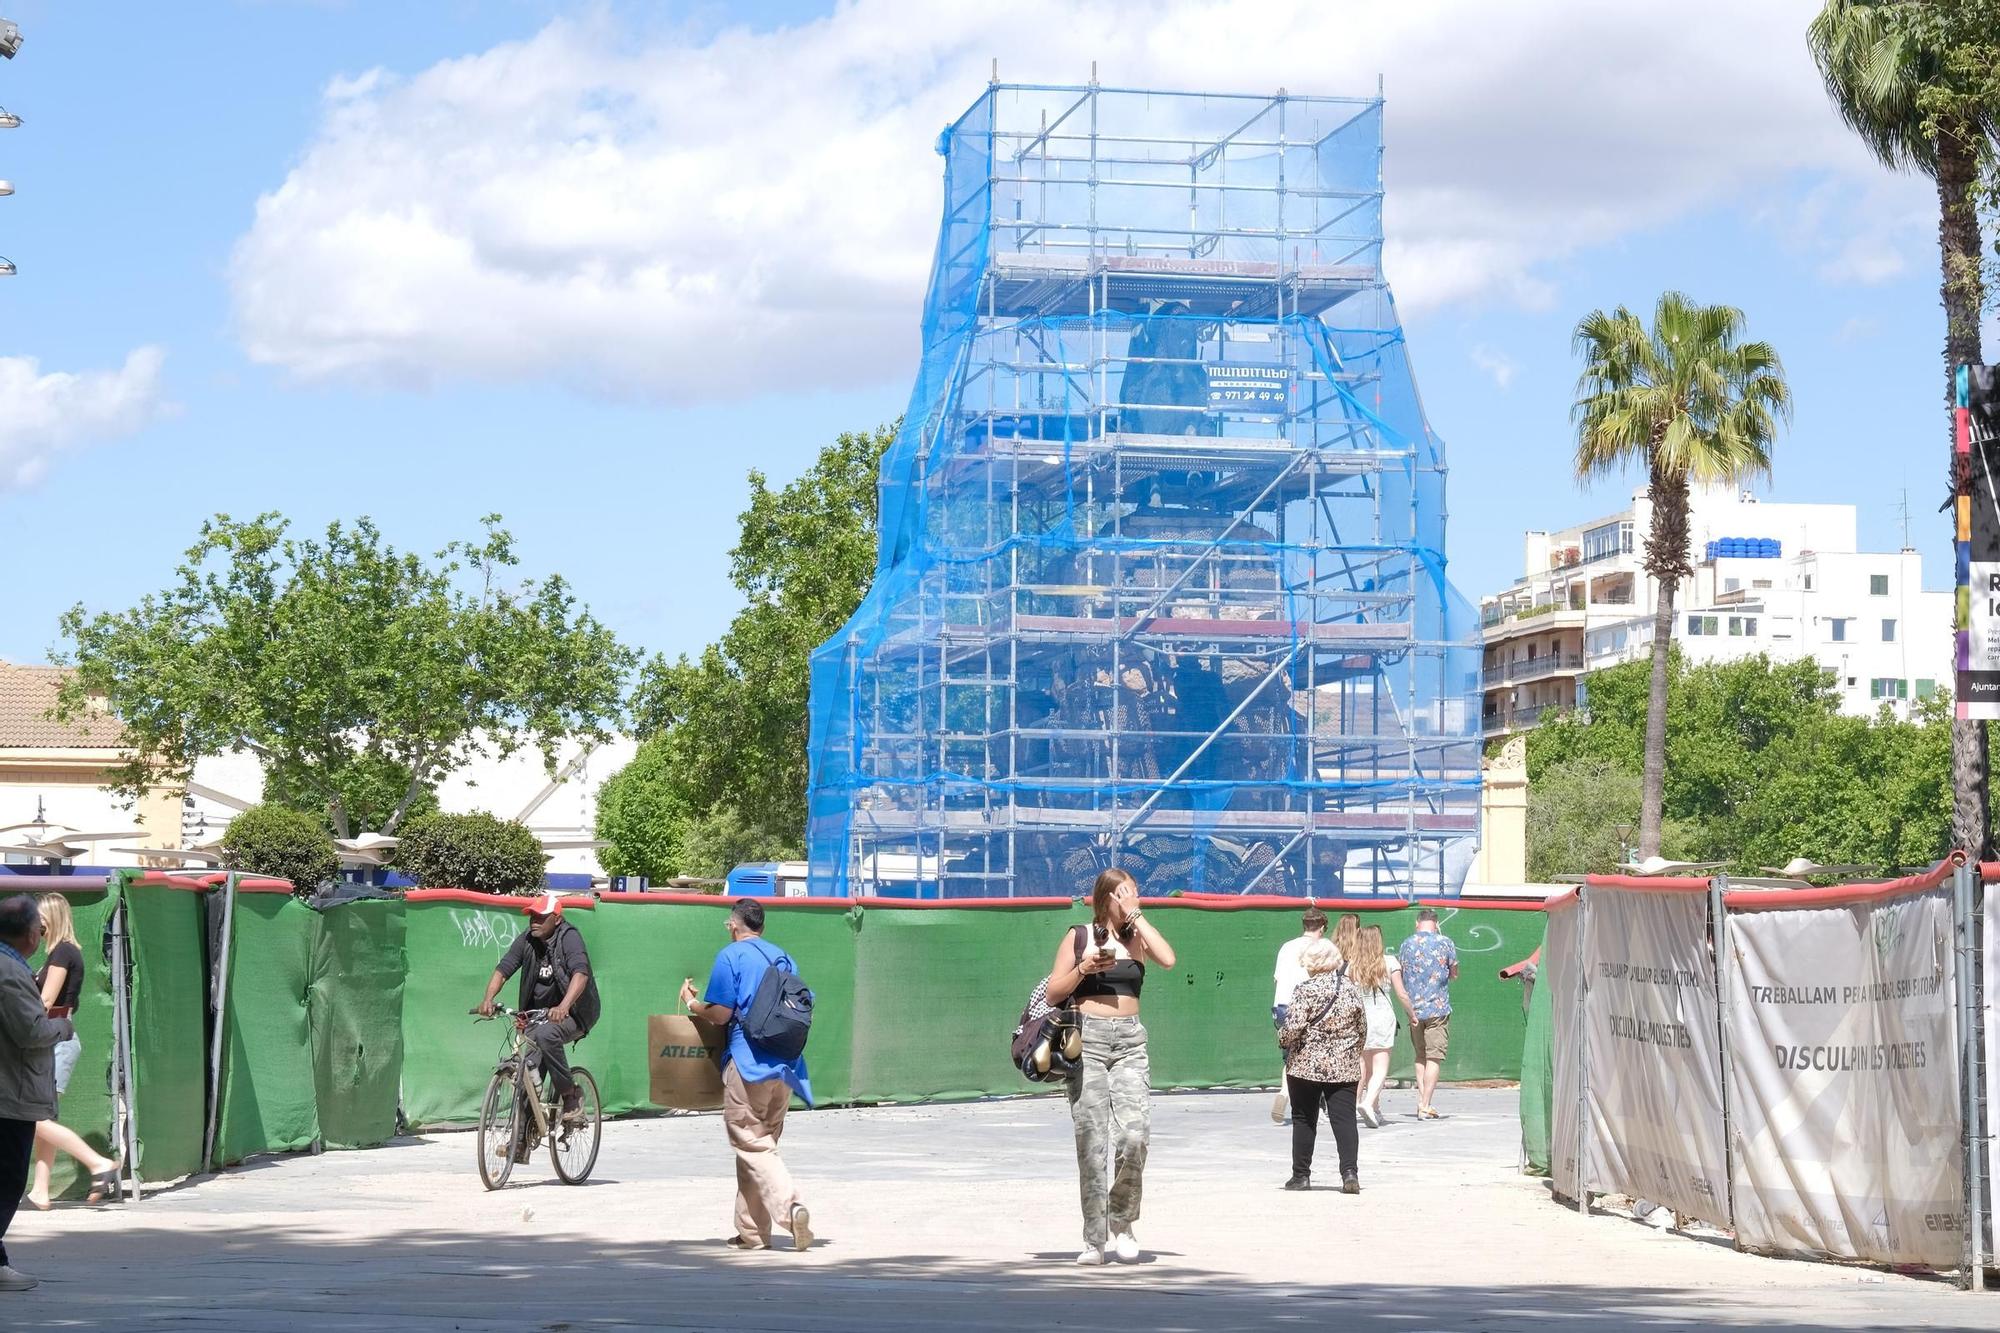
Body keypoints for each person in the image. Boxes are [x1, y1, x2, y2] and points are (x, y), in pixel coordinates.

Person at [1042, 867, 1177, 1267]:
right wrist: (1083, 969)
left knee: (1135, 1136)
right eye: (1123, 893)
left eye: (1135, 891)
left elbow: (1169, 959)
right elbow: (1053, 992)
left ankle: (1123, 1224)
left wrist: (1138, 917)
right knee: (1092, 1140)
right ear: (1105, 899)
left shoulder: (1137, 937)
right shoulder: (1079, 936)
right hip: (1090, 1040)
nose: (1131, 898)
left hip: (1131, 1041)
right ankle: (1093, 1239)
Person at [680, 899, 815, 1253]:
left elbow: (722, 1014)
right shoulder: (782, 956)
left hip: (747, 1062)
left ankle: (791, 1207)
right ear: (762, 927)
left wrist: (692, 1004)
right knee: (759, 1148)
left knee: (751, 1143)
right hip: (785, 1066)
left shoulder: (731, 956)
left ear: (732, 925)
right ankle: (752, 1234)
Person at [477, 891, 601, 1141]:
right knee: (528, 1072)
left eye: (540, 916)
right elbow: (504, 969)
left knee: (546, 1035)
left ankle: (570, 1096)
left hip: (576, 1012)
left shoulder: (569, 937)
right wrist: (488, 999)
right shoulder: (528, 939)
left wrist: (565, 1005)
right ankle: (520, 1143)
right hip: (538, 1014)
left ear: (556, 919)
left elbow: (581, 974)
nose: (534, 920)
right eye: (532, 915)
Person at [0, 893, 76, 1292]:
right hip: (8, 1095)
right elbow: (31, 1031)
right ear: (31, 933)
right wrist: (62, 1028)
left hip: (10, 1090)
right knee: (8, 1180)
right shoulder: (9, 972)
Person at [26, 895, 119, 1208]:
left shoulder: (63, 952)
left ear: (50, 919)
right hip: (56, 1039)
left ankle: (96, 1162)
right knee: (44, 1116)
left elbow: (46, 1002)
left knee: (30, 1116)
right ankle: (41, 1189)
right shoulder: (59, 952)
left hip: (54, 1040)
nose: (34, 926)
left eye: (38, 920)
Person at [1278, 938, 1367, 1192]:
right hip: (1344, 1066)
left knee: (1304, 1119)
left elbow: (1291, 1029)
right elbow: (1362, 1029)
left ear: (1311, 963)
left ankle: (1301, 1176)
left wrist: (1282, 1039)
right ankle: (1350, 1173)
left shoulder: (1305, 990)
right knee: (1345, 1120)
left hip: (1306, 1065)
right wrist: (1351, 1052)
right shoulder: (1351, 989)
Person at [1396, 908, 1459, 1120]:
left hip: (1413, 1009)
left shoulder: (1406, 944)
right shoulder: (1446, 943)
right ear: (1436, 923)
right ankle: (1425, 1104)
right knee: (1434, 1056)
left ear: (1417, 923)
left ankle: (1421, 1101)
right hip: (1437, 1009)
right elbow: (1454, 973)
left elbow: (1402, 973)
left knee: (1420, 1055)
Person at [1268, 906, 1328, 1124]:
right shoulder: (1322, 947)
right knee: (1314, 1058)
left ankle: (1285, 1092)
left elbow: (1277, 978)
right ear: (1321, 927)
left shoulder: (1286, 947)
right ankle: (1313, 1107)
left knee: (1292, 1057)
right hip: (1308, 1007)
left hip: (1282, 1006)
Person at [1346, 924, 1408, 1127]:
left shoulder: (1351, 965)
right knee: (1381, 1068)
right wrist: (1412, 1014)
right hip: (1382, 1018)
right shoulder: (1389, 962)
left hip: (1359, 1019)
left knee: (1365, 1067)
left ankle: (1373, 1107)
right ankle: (1368, 1103)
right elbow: (1401, 993)